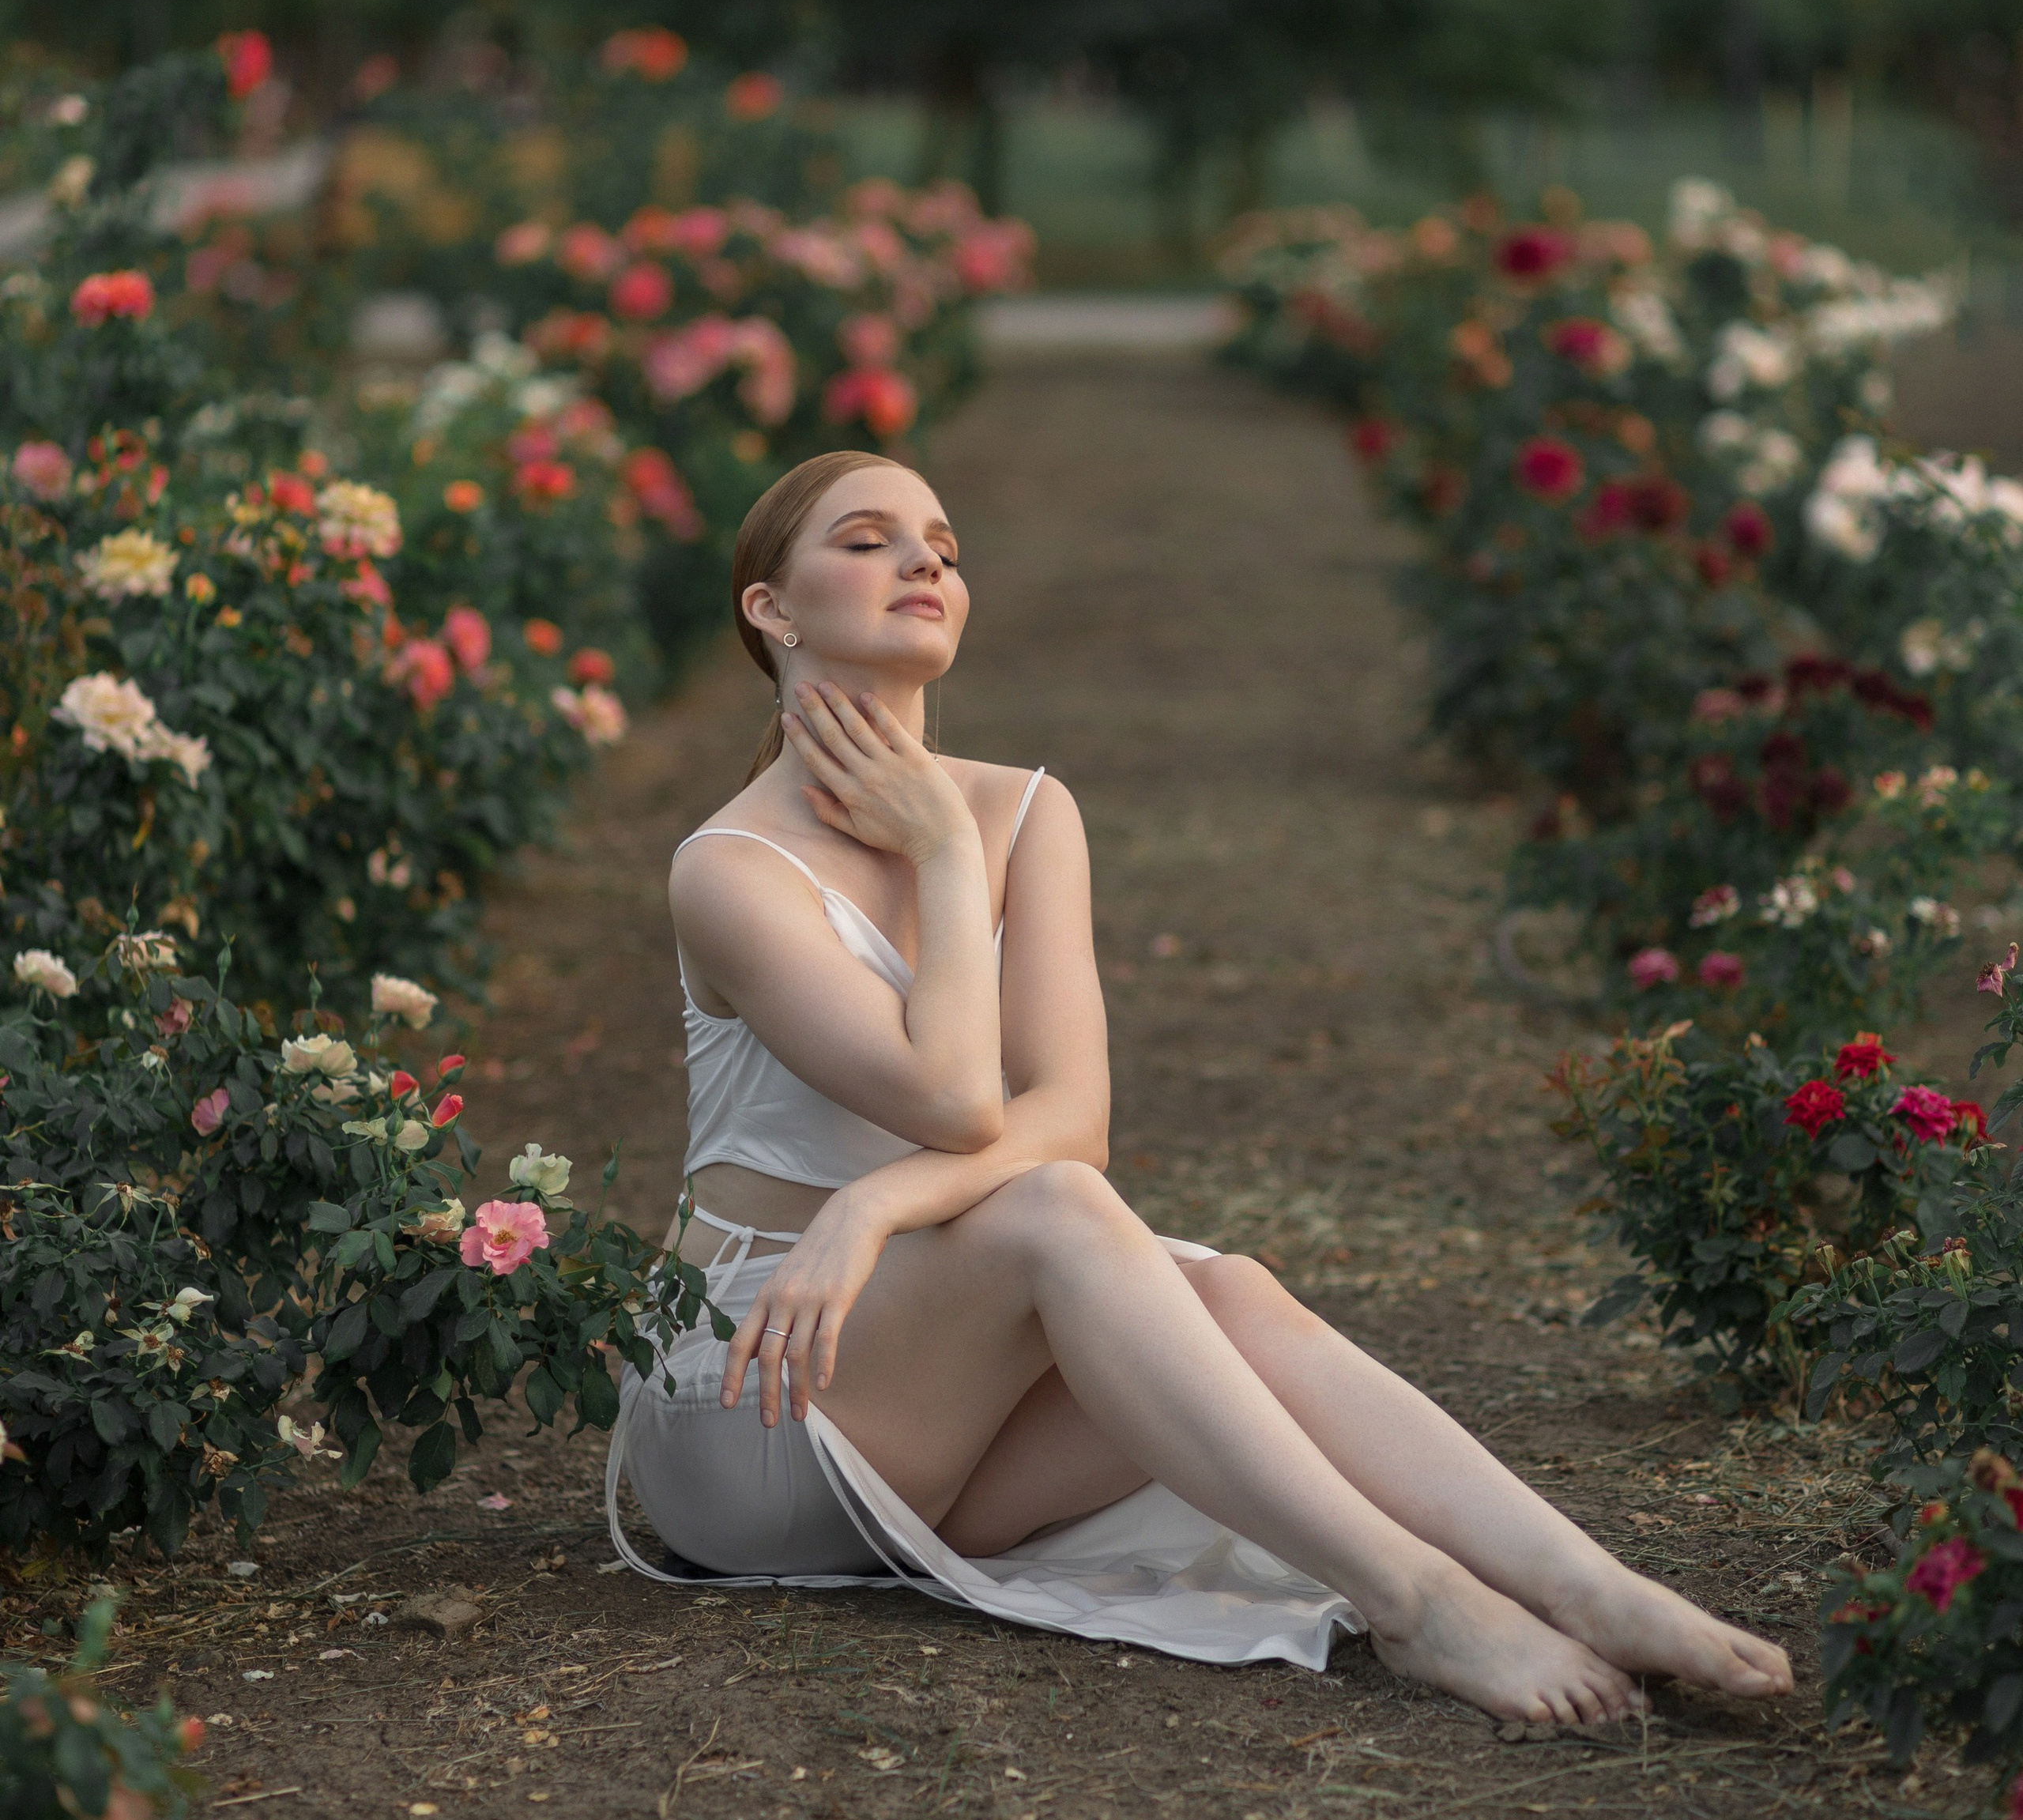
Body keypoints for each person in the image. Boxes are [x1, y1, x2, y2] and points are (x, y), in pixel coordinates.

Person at [606, 449, 1793, 1728]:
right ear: (770, 608)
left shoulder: (1030, 813)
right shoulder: (730, 869)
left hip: (938, 1433)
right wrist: (943, 850)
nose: (925, 562)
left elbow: (1075, 1118)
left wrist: (873, 1206)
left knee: (1220, 1290)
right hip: (755, 1404)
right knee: (1058, 1216)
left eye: (943, 543)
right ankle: (1417, 1603)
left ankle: (1588, 1582)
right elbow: (956, 1100)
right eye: (868, 539)